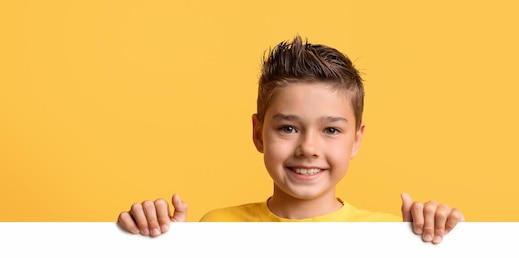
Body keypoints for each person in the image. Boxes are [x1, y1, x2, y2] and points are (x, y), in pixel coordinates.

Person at [117, 35, 464, 244]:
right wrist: (162, 251)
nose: (308, 148)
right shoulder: (217, 228)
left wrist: (433, 244)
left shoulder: (390, 233)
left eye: (331, 130)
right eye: (288, 128)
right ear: (258, 134)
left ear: (356, 140)